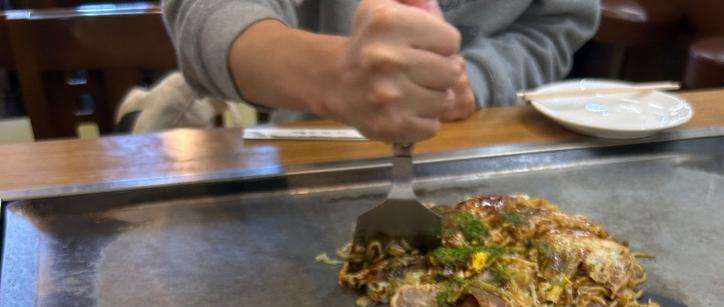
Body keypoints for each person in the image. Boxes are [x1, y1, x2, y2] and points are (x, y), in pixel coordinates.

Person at [161, 0, 600, 141]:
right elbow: (206, 11)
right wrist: (330, 74)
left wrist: (478, 78)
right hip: (319, 147)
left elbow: (559, 23)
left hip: (493, 136)